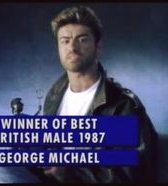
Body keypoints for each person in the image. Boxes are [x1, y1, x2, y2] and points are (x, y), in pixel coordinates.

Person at [42, 6, 158, 183]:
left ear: (98, 47)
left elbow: (132, 172)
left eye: (82, 40)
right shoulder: (52, 98)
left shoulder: (123, 104)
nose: (72, 47)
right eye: (65, 41)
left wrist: (72, 173)